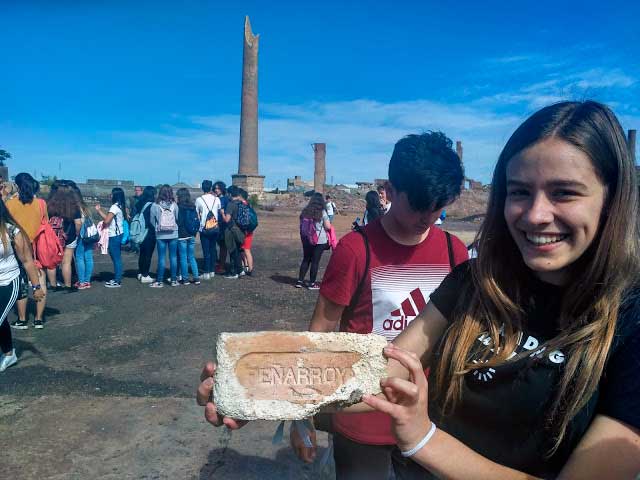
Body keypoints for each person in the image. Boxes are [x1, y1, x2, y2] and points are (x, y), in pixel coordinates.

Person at [196, 131, 469, 479]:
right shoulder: (356, 249)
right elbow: (321, 331)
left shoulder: (453, 251)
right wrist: (300, 414)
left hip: (429, 416)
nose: (427, 217)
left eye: (438, 207)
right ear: (390, 189)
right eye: (417, 205)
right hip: (364, 419)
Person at [0, 200, 46, 371]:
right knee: (1, 318)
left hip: (8, 282)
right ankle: (9, 354)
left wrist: (36, 287)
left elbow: (27, 261)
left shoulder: (12, 231)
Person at [6, 173, 49, 329]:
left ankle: (22, 319)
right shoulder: (41, 203)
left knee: (21, 284)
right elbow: (46, 224)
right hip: (37, 247)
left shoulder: (10, 204)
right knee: (40, 282)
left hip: (16, 247)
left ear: (17, 185)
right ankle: (38, 319)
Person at [46, 182, 82, 291]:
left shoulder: (49, 205)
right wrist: (76, 233)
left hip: (53, 236)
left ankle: (52, 284)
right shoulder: (73, 205)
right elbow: (78, 223)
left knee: (51, 261)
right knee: (66, 262)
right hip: (69, 235)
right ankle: (67, 285)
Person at [296, 192, 331, 290]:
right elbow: (328, 226)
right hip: (319, 241)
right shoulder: (322, 212)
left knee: (306, 259)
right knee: (315, 262)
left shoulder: (305, 211)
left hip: (306, 239)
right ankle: (312, 284)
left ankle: (300, 281)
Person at [95, 187, 126, 287]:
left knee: (115, 257)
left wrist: (99, 213)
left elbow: (107, 221)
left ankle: (117, 280)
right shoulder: (120, 206)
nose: (110, 195)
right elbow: (110, 219)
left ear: (115, 195)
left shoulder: (114, 207)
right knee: (117, 257)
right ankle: (117, 277)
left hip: (114, 235)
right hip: (119, 233)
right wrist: (100, 211)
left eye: (111, 194)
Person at [149, 184, 179, 288]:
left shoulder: (155, 205)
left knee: (161, 258)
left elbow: (152, 220)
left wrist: (158, 227)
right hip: (173, 233)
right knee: (173, 257)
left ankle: (159, 281)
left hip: (160, 234)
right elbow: (177, 217)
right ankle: (174, 280)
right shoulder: (174, 205)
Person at [195, 180, 220, 280]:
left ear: (202, 188)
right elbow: (218, 210)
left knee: (206, 250)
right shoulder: (216, 199)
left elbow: (197, 214)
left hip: (204, 228)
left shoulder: (199, 200)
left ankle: (206, 272)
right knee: (212, 249)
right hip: (214, 227)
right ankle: (212, 270)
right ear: (210, 188)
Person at [71, 184, 95, 289]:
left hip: (81, 234)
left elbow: (78, 223)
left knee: (79, 257)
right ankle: (87, 281)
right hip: (89, 235)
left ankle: (81, 282)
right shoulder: (85, 206)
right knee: (88, 257)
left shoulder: (75, 207)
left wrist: (76, 234)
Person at [176, 187, 200, 285]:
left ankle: (185, 279)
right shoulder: (192, 206)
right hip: (192, 233)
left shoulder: (178, 207)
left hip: (182, 234)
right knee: (191, 257)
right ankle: (196, 278)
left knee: (183, 257)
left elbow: (179, 221)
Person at [135, 186, 156, 283]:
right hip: (149, 232)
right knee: (148, 254)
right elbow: (152, 220)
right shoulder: (152, 205)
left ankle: (140, 272)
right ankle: (145, 275)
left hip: (140, 231)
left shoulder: (139, 203)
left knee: (142, 253)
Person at [238, 188, 254, 277]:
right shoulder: (249, 205)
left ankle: (245, 267)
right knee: (247, 249)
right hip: (249, 230)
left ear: (240, 196)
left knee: (242, 250)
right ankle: (249, 268)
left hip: (243, 230)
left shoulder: (241, 205)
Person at [213, 181, 229, 275]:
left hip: (223, 226)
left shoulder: (225, 199)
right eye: (215, 188)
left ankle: (221, 266)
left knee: (223, 247)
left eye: (218, 188)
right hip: (215, 225)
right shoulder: (216, 199)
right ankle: (218, 264)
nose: (216, 190)